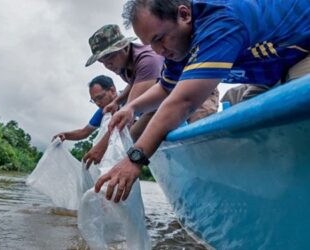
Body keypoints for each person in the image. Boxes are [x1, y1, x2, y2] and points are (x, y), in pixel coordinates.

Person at [94, 0, 310, 202]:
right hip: (272, 71)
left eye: (159, 39)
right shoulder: (179, 44)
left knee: (292, 121)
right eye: (151, 45)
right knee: (253, 131)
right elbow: (165, 88)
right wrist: (132, 107)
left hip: (302, 51)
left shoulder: (220, 22)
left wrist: (135, 159)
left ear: (184, 14)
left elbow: (183, 101)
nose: (159, 51)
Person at [85, 24, 219, 142]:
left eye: (109, 57)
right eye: (102, 61)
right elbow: (136, 83)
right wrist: (118, 101)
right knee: (135, 139)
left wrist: (102, 149)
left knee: (201, 135)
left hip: (197, 90)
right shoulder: (121, 65)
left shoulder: (148, 60)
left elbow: (129, 112)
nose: (107, 65)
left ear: (124, 47)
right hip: (164, 100)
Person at [52, 75, 117, 167]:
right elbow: (84, 132)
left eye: (100, 97)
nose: (98, 103)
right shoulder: (103, 112)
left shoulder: (130, 102)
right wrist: (65, 135)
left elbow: (129, 128)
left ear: (112, 90)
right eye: (94, 100)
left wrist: (102, 146)